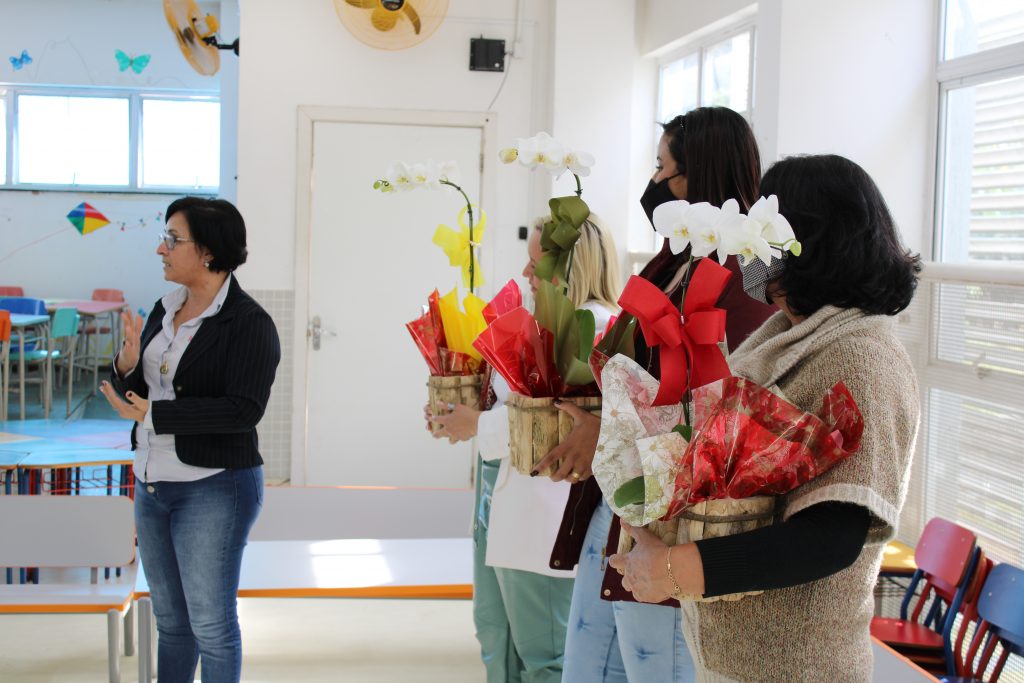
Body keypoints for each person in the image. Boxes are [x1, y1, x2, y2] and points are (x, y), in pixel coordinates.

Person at [609, 154, 922, 682]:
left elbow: (831, 537)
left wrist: (671, 570)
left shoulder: (861, 357)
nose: (749, 245)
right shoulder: (785, 337)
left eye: (761, 221)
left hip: (796, 667)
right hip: (734, 657)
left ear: (805, 238)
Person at [544, 107, 778, 683]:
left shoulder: (746, 275)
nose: (654, 183)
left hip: (676, 514)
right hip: (624, 497)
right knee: (587, 668)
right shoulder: (677, 260)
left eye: (662, 168)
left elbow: (722, 409)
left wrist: (607, 429)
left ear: (698, 174)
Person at [430, 214, 621, 682]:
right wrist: (460, 415)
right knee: (500, 643)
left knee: (545, 657)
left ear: (570, 267)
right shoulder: (546, 323)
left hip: (544, 514)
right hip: (506, 506)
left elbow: (563, 419)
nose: (525, 274)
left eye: (536, 264)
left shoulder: (593, 325)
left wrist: (479, 425)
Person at [100, 197, 281, 683]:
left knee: (211, 626)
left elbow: (243, 410)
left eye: (172, 239)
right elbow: (143, 390)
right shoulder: (165, 308)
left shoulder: (249, 323)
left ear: (208, 251)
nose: (160, 249)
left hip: (214, 486)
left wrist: (157, 414)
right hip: (151, 482)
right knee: (172, 624)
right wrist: (126, 365)